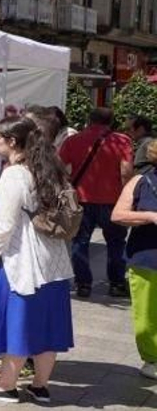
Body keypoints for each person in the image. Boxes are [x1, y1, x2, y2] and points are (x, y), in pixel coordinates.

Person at [0, 116, 74, 403]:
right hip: (55, 263)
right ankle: (40, 386)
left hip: (22, 263)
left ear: (12, 141)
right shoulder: (50, 170)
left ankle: (6, 385)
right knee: (48, 327)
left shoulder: (14, 174)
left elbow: (4, 227)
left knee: (17, 322)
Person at [59, 107, 132, 299]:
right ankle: (116, 283)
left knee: (79, 242)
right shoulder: (122, 141)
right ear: (111, 121)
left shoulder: (73, 141)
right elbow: (126, 171)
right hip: (112, 200)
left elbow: (58, 167)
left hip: (81, 199)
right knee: (116, 242)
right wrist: (127, 196)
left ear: (89, 120)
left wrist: (68, 184)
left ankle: (83, 284)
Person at [112, 146, 157, 380]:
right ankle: (152, 359)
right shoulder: (142, 181)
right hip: (146, 257)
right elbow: (118, 215)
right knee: (147, 315)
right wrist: (150, 217)